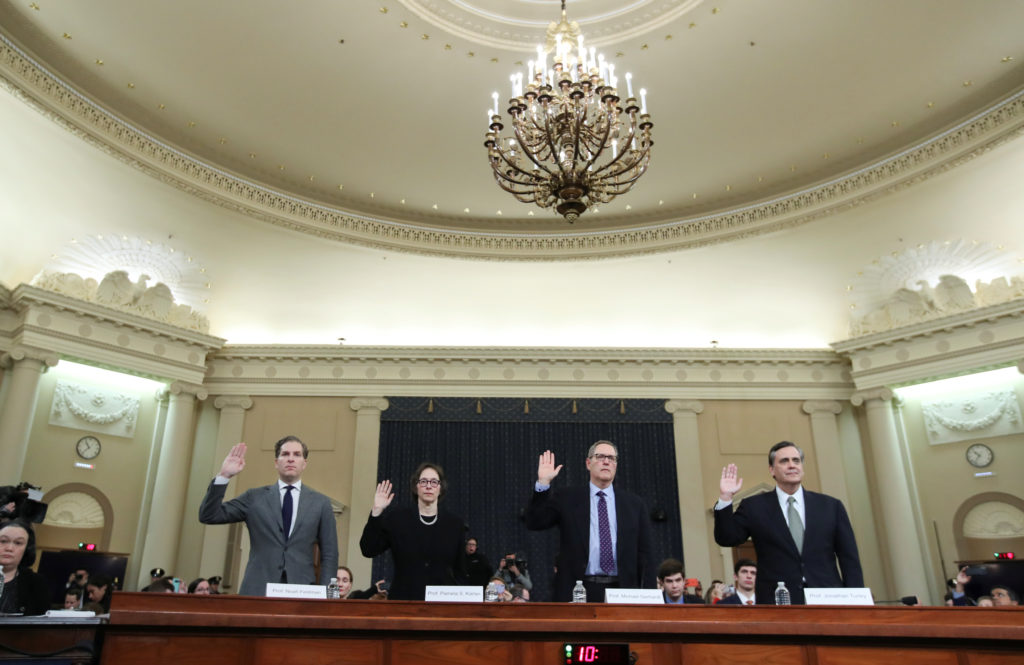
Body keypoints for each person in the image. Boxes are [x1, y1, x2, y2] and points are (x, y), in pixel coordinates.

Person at [714, 441, 863, 605]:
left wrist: (856, 602)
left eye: (796, 460)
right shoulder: (754, 507)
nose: (792, 465)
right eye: (784, 461)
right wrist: (726, 499)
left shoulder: (830, 506)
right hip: (777, 600)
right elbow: (727, 538)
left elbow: (849, 558)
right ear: (772, 470)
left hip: (827, 598)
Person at [199, 436, 339, 596]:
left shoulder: (320, 503)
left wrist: (328, 595)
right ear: (276, 462)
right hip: (258, 589)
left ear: (304, 463)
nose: (291, 459)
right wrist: (224, 476)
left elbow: (330, 553)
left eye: (297, 455)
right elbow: (209, 515)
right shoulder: (254, 497)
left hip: (302, 590)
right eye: (285, 454)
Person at [524, 442, 655, 602]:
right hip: (577, 590)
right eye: (600, 457)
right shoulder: (568, 498)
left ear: (616, 464)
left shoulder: (634, 504)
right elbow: (535, 522)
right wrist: (543, 484)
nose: (606, 461)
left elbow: (646, 553)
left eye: (611, 458)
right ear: (588, 463)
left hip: (622, 591)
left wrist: (650, 597)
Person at [360, 462, 468, 600]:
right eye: (423, 481)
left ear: (440, 488)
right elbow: (368, 549)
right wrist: (376, 511)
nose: (429, 486)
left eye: (434, 482)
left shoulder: (454, 524)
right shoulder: (397, 519)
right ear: (416, 487)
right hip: (404, 602)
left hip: (442, 604)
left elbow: (460, 571)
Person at [0, 519, 49, 615]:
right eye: (3, 541)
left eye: (18, 543)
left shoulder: (36, 583)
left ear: (27, 549)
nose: (9, 548)